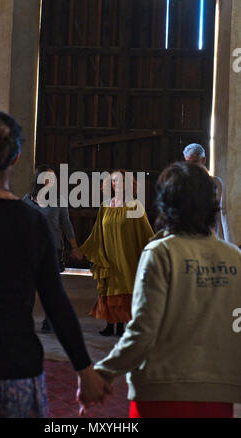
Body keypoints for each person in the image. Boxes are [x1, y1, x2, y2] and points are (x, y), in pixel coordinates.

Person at [0, 111, 110, 418]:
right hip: (18, 369)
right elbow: (56, 302)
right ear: (16, 157)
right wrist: (85, 370)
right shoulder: (31, 222)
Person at [88, 162, 241, 418]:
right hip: (217, 395)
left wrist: (101, 374)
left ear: (166, 203)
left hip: (161, 394)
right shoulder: (234, 258)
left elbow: (142, 332)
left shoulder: (160, 253)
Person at [80, 169, 154, 337]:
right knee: (109, 289)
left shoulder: (135, 206)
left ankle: (121, 326)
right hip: (109, 257)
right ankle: (110, 324)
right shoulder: (105, 206)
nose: (117, 184)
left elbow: (146, 233)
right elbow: (97, 232)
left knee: (123, 288)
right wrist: (87, 251)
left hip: (127, 256)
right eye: (113, 181)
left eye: (120, 181)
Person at [23, 165, 83, 333]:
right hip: (31, 250)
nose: (51, 181)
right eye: (47, 177)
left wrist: (75, 247)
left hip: (52, 250)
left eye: (53, 178)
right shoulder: (27, 200)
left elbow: (66, 225)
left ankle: (49, 321)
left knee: (51, 289)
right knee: (28, 288)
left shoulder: (59, 201)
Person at [183, 143, 235, 244]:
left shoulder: (216, 183)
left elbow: (223, 212)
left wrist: (231, 244)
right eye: (188, 162)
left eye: (194, 162)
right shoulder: (183, 183)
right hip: (189, 238)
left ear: (203, 160)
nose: (191, 166)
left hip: (211, 236)